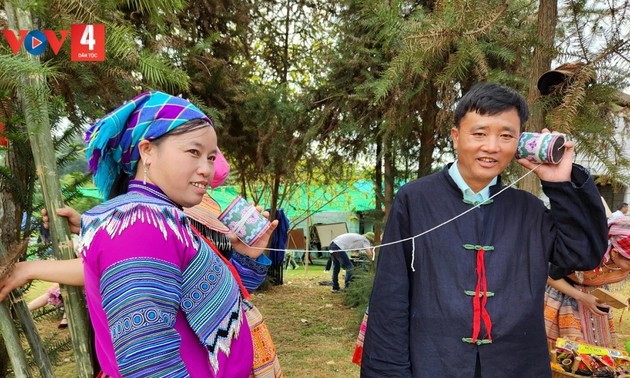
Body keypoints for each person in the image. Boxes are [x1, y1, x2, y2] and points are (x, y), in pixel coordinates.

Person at [361, 82, 608, 377]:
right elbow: (391, 298)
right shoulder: (415, 201)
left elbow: (583, 253)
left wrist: (560, 182)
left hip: (517, 365)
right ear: (455, 136)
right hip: (433, 364)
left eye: (506, 136)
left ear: (519, 142)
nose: (492, 147)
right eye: (479, 133)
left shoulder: (528, 210)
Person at [79, 90, 279, 377]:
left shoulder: (165, 218)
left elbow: (200, 302)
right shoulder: (140, 226)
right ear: (147, 151)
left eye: (211, 157)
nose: (206, 169)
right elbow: (147, 361)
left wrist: (247, 257)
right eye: (193, 152)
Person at [544, 217, 630, 349]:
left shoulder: (623, 260)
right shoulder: (584, 252)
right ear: (614, 252)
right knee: (566, 351)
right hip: (566, 295)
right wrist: (582, 297)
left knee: (597, 354)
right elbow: (550, 277)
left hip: (597, 299)